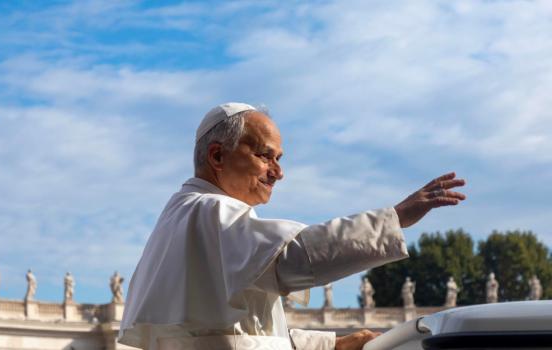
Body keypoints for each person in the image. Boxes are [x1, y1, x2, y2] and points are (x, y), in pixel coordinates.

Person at [119, 103, 466, 350]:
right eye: (265, 156)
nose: (278, 171)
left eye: (279, 159)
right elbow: (295, 259)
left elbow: (237, 338)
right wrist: (396, 217)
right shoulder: (210, 211)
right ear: (217, 156)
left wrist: (334, 344)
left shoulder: (185, 214)